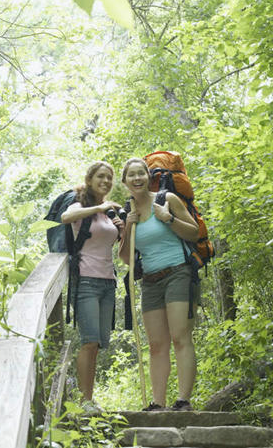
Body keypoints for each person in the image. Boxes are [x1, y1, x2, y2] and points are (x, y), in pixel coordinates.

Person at [118, 157, 200, 411]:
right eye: (131, 175)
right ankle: (158, 404)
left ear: (148, 176)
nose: (137, 178)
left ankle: (183, 401)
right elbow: (126, 258)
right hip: (150, 282)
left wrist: (168, 219)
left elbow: (194, 232)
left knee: (180, 336)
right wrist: (128, 225)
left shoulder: (167, 200)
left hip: (178, 273)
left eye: (141, 173)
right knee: (156, 345)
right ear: (125, 182)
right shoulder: (128, 212)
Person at [60, 161, 124, 415]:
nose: (106, 181)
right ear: (89, 179)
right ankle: (84, 402)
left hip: (108, 282)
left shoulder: (109, 214)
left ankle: (89, 399)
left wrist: (122, 228)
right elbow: (66, 218)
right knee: (89, 341)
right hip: (86, 280)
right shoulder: (80, 206)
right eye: (100, 176)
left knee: (97, 344)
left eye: (109, 177)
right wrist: (99, 207)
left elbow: (114, 246)